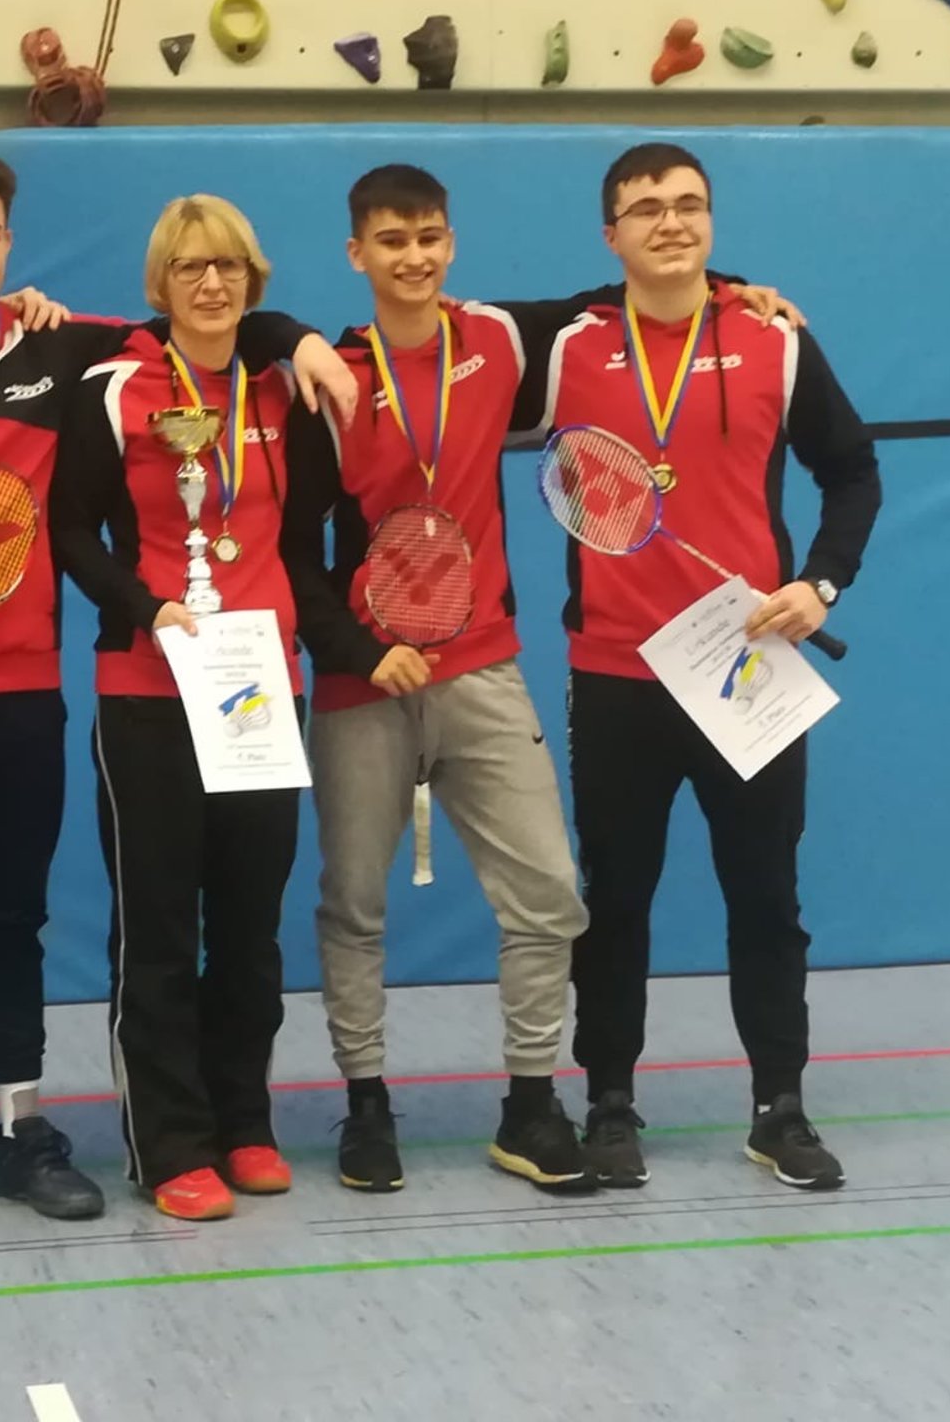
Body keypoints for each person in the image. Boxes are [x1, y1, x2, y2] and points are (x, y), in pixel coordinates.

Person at [0, 151, 353, 1245]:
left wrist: (301, 336)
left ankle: (22, 1130)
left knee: (15, 920)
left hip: (25, 698)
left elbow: (219, 325)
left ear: (10, 245)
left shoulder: (55, 349)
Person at [283, 163, 796, 1196]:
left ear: (451, 242)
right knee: (354, 905)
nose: (413, 256)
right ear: (356, 255)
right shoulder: (327, 377)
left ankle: (528, 1105)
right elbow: (290, 549)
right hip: (360, 684)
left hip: (482, 668)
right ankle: (365, 1107)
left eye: (429, 235)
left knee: (552, 899)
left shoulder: (503, 342)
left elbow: (643, 287)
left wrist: (739, 286)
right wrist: (352, 650)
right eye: (390, 241)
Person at [537, 142, 881, 1191]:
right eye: (644, 210)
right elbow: (428, 324)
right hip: (615, 673)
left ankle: (777, 1106)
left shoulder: (772, 341)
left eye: (688, 206)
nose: (669, 223)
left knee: (764, 897)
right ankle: (607, 1102)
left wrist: (818, 584)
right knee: (614, 901)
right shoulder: (566, 343)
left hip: (745, 672)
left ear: (712, 224)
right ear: (610, 236)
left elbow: (853, 473)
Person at [50, 195, 333, 1222]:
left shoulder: (281, 388)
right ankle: (167, 1140)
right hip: (148, 689)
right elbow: (70, 529)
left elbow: (302, 534)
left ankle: (242, 1120)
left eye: (225, 267)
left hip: (260, 686)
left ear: (252, 281)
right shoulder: (114, 388)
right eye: (188, 269)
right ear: (158, 285)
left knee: (250, 929)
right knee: (160, 932)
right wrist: (145, 608)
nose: (209, 285)